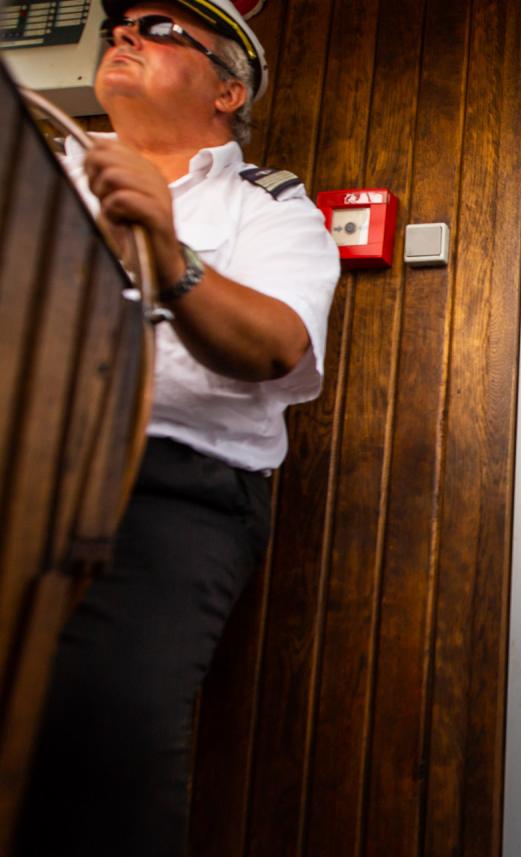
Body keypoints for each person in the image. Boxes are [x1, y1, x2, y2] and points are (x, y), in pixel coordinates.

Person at [18, 3, 339, 854]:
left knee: (102, 729)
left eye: (160, 30)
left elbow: (274, 344)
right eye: (121, 23)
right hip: (20, 462)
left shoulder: (270, 208)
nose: (124, 33)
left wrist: (168, 254)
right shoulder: (35, 171)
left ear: (228, 88)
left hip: (174, 490)